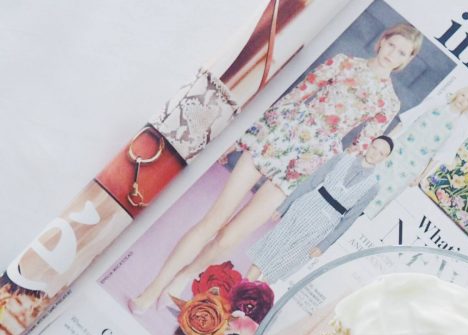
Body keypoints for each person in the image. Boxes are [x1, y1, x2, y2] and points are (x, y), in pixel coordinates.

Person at [128, 23, 423, 313]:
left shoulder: (388, 102)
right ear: (382, 41)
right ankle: (152, 289)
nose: (393, 54)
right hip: (280, 134)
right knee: (214, 220)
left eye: (402, 53)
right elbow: (296, 95)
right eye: (392, 45)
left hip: (312, 159)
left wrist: (321, 182)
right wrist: (245, 137)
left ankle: (181, 277)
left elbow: (359, 148)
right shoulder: (344, 62)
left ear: (407, 61)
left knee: (230, 238)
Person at [246, 135, 393, 283]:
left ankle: (249, 299)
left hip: (324, 224)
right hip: (305, 206)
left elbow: (350, 218)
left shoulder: (373, 186)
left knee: (285, 261)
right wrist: (284, 206)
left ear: (385, 158)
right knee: (272, 245)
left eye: (381, 153)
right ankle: (240, 288)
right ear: (369, 145)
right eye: (375, 148)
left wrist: (325, 244)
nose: (375, 153)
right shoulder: (342, 158)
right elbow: (311, 182)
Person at [364, 86, 468, 218]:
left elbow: (441, 155)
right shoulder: (438, 102)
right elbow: (408, 119)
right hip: (398, 149)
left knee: (386, 192)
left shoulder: (460, 125)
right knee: (373, 179)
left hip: (415, 165)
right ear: (458, 93)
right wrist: (386, 141)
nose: (463, 101)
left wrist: (421, 176)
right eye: (463, 95)